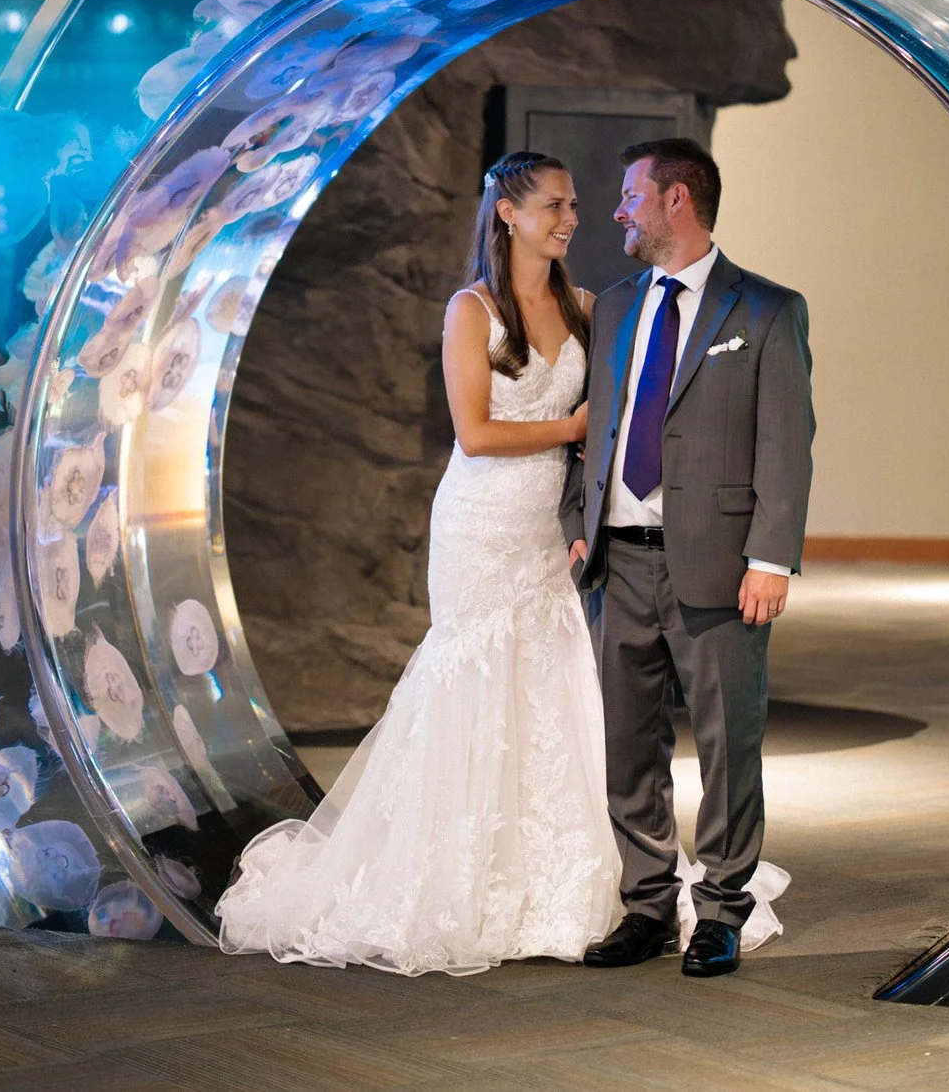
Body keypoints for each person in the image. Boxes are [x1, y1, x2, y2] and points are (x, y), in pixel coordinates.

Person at [215, 151, 621, 975]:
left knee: (545, 678)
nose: (571, 217)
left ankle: (549, 882)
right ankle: (448, 875)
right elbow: (474, 432)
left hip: (547, 528)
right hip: (480, 520)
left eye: (573, 204)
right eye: (555, 203)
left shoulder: (585, 307)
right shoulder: (471, 310)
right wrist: (572, 430)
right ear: (508, 212)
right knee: (472, 674)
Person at [569, 137, 815, 978]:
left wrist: (772, 559)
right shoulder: (613, 304)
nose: (617, 211)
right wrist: (581, 520)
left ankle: (719, 912)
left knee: (725, 740)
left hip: (717, 563)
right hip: (619, 563)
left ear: (678, 199)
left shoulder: (768, 310)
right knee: (628, 742)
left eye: (630, 194)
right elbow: (598, 424)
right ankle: (645, 903)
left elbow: (787, 444)